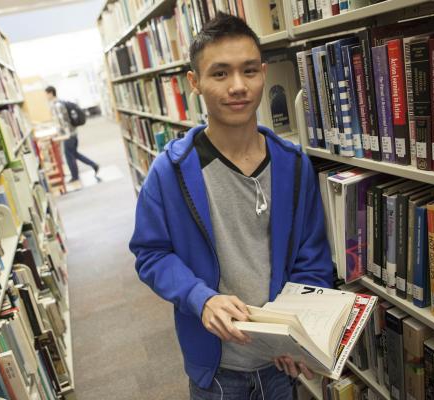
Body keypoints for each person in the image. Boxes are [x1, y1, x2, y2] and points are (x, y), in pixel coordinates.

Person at [129, 12, 333, 400]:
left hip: (280, 361)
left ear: (263, 72)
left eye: (249, 71)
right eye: (220, 74)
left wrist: (300, 328)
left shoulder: (292, 163)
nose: (238, 86)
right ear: (195, 83)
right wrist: (199, 298)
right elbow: (151, 253)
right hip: (218, 367)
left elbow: (313, 258)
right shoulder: (170, 171)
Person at [45, 86, 100, 188]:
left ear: (51, 93)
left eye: (46, 94)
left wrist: (64, 135)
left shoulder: (57, 105)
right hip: (72, 133)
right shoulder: (60, 103)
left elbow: (63, 122)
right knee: (74, 154)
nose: (45, 96)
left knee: (69, 156)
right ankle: (94, 165)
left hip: (68, 135)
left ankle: (75, 176)